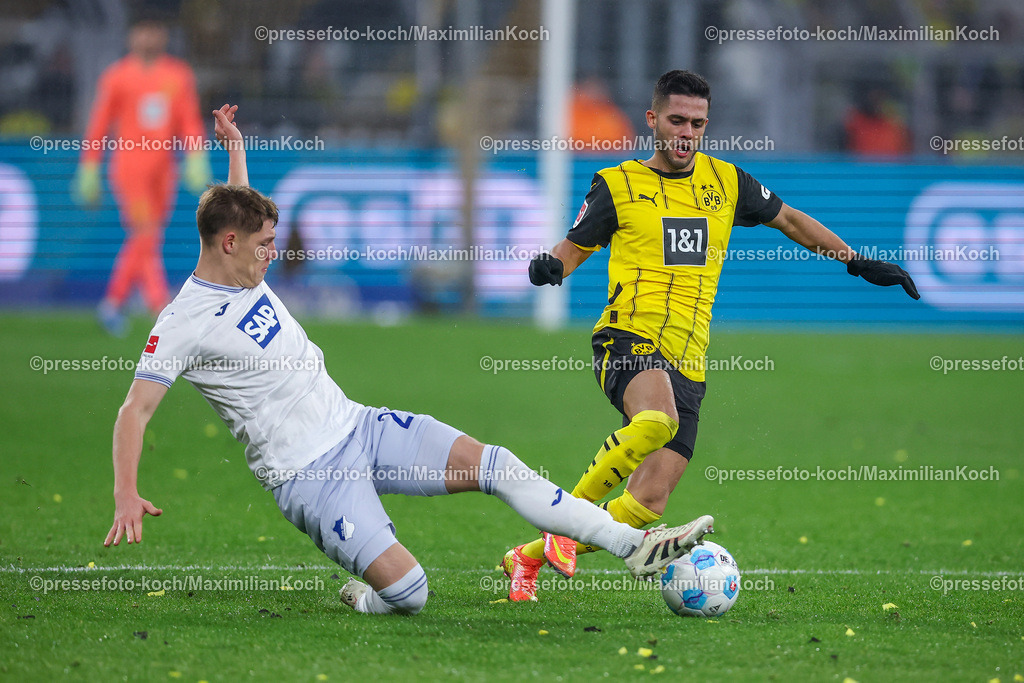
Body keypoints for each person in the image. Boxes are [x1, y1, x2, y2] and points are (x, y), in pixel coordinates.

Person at [101, 103, 716, 616]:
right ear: (228, 244)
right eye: (263, 246)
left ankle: (633, 544)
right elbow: (135, 410)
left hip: (358, 425)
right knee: (410, 595)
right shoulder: (183, 322)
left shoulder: (242, 266)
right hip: (309, 475)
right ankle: (366, 596)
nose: (273, 256)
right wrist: (127, 493)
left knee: (496, 464)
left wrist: (234, 148)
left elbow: (237, 206)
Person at [504, 70, 920, 601]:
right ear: (653, 120)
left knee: (647, 502)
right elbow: (572, 248)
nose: (686, 133)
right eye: (676, 120)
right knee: (656, 420)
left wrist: (857, 261)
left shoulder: (726, 182)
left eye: (697, 124)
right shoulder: (618, 184)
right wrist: (550, 269)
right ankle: (560, 528)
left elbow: (789, 220)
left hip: (688, 361)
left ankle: (527, 558)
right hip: (626, 338)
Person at [73, 17, 211, 337]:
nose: (148, 37)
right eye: (142, 31)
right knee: (145, 232)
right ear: (132, 36)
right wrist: (89, 165)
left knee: (146, 238)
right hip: (130, 167)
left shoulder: (178, 75)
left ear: (163, 34)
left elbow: (188, 119)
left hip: (164, 168)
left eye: (154, 30)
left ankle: (112, 303)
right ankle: (160, 306)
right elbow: (100, 122)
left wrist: (195, 154)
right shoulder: (118, 76)